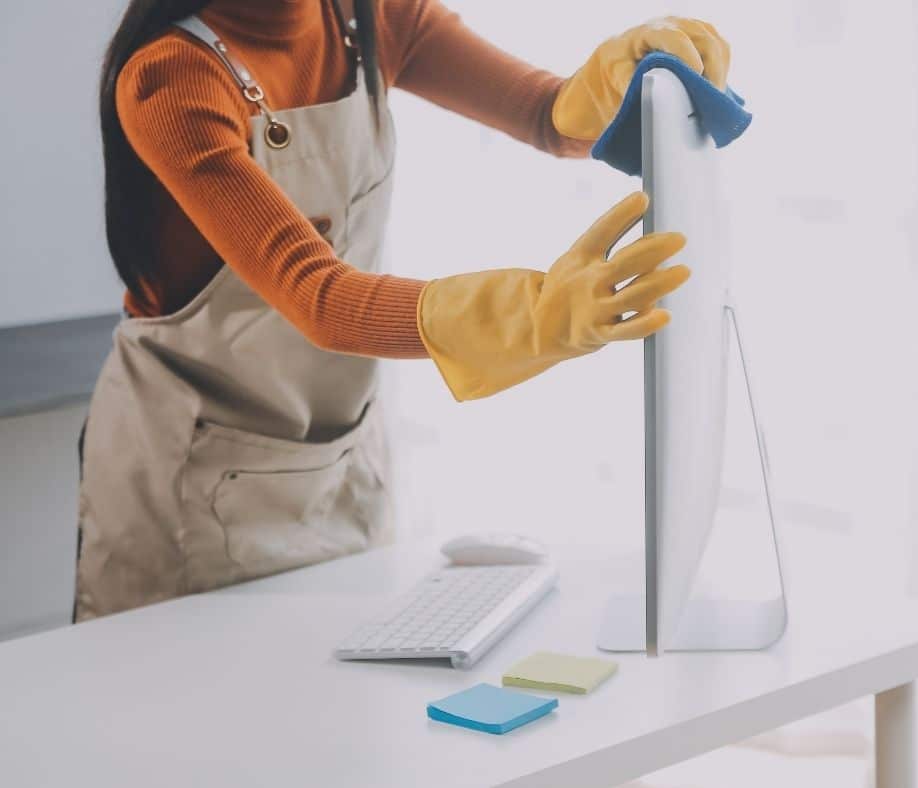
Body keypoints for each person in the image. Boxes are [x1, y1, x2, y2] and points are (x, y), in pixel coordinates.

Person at [75, 0, 730, 621]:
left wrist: (615, 84)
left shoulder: (371, 17)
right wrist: (528, 313)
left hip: (338, 458)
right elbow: (317, 297)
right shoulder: (172, 79)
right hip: (188, 482)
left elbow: (542, 113)